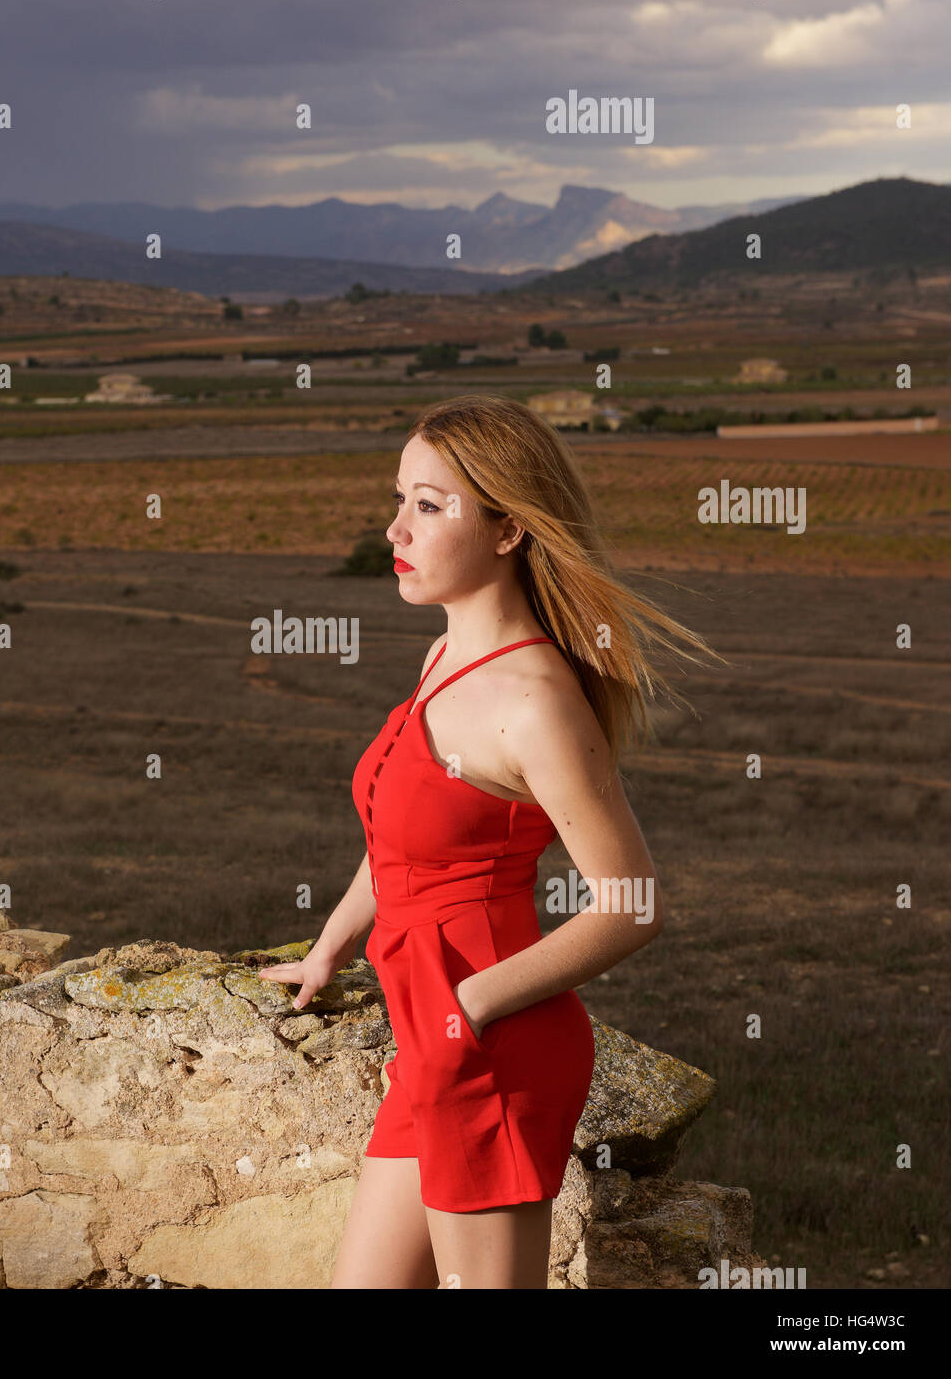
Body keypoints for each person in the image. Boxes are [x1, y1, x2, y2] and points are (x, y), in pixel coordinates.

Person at [259, 392, 723, 1289]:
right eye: (399, 498)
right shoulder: (443, 657)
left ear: (509, 530)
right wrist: (328, 950)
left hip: (492, 1047)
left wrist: (465, 1007)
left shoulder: (531, 704)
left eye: (430, 507)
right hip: (432, 1042)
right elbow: (399, 842)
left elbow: (631, 908)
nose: (396, 528)